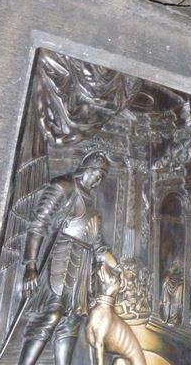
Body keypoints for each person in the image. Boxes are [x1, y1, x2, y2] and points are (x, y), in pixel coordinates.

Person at [18, 151, 119, 365]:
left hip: (82, 267)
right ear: (86, 168)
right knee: (51, 314)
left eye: (101, 178)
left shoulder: (92, 204)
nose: (97, 181)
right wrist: (30, 265)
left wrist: (118, 266)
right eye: (96, 174)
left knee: (70, 321)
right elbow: (38, 223)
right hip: (60, 256)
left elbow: (98, 245)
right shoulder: (63, 186)